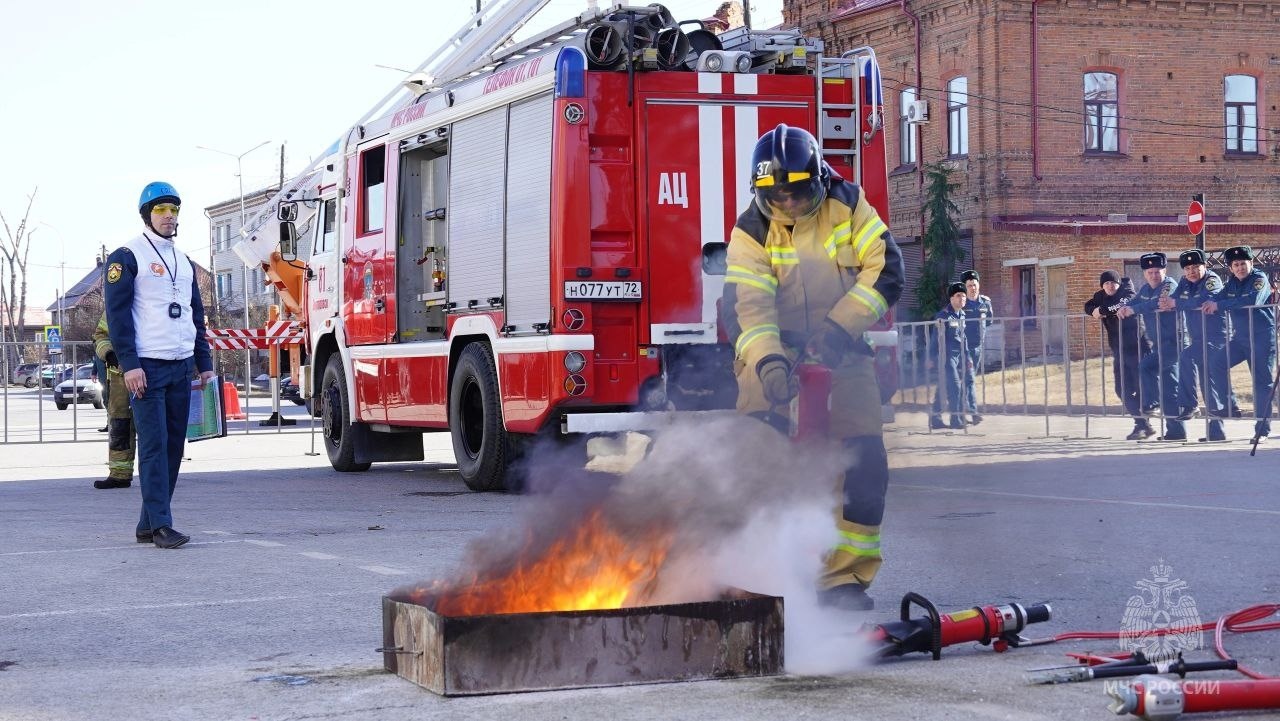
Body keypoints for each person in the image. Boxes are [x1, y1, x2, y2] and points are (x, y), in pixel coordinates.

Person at [722, 124, 903, 611]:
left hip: (842, 345)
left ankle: (842, 579)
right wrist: (769, 364)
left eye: (798, 194)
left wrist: (840, 328)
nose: (789, 205)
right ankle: (755, 571)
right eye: (777, 196)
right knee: (758, 454)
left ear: (818, 181)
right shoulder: (750, 230)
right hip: (772, 349)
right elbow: (748, 306)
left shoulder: (849, 204)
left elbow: (885, 269)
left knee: (863, 459)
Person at [104, 181, 215, 549]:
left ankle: (147, 522)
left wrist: (205, 364)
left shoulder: (183, 261)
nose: (169, 217)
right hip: (146, 369)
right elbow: (118, 318)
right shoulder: (126, 255)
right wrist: (129, 364)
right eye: (161, 211)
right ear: (147, 215)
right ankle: (162, 526)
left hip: (181, 366)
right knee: (152, 447)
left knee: (172, 446)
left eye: (174, 211)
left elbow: (195, 316)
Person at [1202, 245, 1275, 441]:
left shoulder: (1259, 279)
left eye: (1243, 263)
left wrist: (1219, 305)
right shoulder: (1231, 283)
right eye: (1236, 264)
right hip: (1241, 338)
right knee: (1217, 363)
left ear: (1251, 263)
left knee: (1261, 384)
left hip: (1261, 338)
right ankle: (1230, 406)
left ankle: (1262, 430)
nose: (1240, 267)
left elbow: (1253, 300)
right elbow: (1217, 297)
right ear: (1231, 268)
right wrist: (1208, 303)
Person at [1159, 248, 1227, 442]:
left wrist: (1177, 303)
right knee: (1208, 384)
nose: (1191, 272)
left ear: (1204, 266)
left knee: (1187, 357)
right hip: (1199, 337)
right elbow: (1175, 298)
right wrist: (1174, 302)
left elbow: (1204, 299)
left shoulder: (1212, 280)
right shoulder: (1184, 281)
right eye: (1187, 268)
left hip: (1215, 338)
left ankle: (1190, 405)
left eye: (1195, 267)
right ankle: (1216, 432)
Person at [1119, 252, 1185, 440]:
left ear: (1164, 270)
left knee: (1146, 367)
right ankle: (1176, 431)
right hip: (1159, 344)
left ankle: (1152, 404)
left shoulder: (1169, 285)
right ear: (1145, 274)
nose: (1154, 275)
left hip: (1175, 342)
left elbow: (1159, 303)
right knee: (1170, 388)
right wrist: (1125, 307)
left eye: (1157, 271)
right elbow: (1137, 301)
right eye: (1150, 272)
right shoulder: (1146, 289)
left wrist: (1134, 309)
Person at [1085, 270, 1153, 439]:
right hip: (1119, 349)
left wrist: (1102, 310)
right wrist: (1093, 310)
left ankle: (1145, 424)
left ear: (1118, 283)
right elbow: (1087, 305)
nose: (1110, 286)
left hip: (1138, 346)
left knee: (1140, 387)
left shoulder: (1127, 289)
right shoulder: (1099, 296)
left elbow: (1123, 304)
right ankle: (1143, 424)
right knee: (1121, 389)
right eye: (1106, 283)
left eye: (1112, 283)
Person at [92, 312, 136, 489]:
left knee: (154, 426)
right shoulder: (116, 302)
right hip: (120, 375)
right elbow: (100, 335)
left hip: (153, 372)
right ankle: (120, 474)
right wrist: (109, 354)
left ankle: (161, 475)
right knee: (119, 425)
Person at [928, 283, 968, 431]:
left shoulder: (962, 315)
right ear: (951, 298)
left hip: (957, 356)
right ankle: (955, 419)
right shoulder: (943, 315)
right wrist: (931, 357)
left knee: (943, 386)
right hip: (945, 357)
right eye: (958, 296)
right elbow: (935, 339)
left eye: (964, 296)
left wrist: (967, 356)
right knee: (955, 386)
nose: (962, 299)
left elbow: (963, 338)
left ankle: (936, 418)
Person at [959, 270, 992, 424]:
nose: (973, 288)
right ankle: (972, 413)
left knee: (967, 380)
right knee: (969, 379)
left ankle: (960, 412)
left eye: (975, 284)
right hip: (963, 348)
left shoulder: (985, 302)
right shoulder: (961, 304)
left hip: (978, 348)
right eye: (969, 285)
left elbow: (989, 321)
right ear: (965, 287)